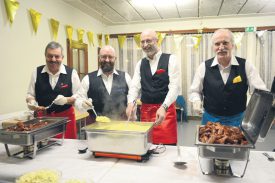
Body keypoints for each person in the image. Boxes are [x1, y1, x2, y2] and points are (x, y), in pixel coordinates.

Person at [189, 28, 267, 127]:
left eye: (225, 43)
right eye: (217, 44)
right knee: (209, 142)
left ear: (232, 45)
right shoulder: (203, 67)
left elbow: (260, 91)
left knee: (237, 142)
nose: (221, 47)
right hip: (210, 119)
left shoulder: (246, 65)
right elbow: (195, 91)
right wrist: (196, 100)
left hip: (238, 119)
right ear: (213, 47)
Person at [126, 29, 180, 145]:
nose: (145, 45)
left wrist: (164, 107)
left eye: (148, 41)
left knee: (167, 147)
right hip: (146, 112)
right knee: (147, 145)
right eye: (142, 42)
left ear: (157, 41)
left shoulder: (171, 59)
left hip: (166, 112)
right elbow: (134, 86)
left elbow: (174, 87)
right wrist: (131, 102)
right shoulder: (140, 63)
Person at [26, 41, 81, 139]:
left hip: (66, 119)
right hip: (43, 119)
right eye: (50, 56)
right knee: (43, 149)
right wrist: (31, 102)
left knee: (68, 149)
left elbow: (79, 96)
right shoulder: (36, 72)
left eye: (57, 56)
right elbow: (30, 94)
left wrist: (66, 100)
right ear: (45, 56)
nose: (53, 59)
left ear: (62, 57)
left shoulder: (72, 73)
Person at [75, 45, 131, 120]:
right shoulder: (87, 79)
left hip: (121, 126)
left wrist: (132, 113)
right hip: (96, 127)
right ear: (99, 58)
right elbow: (78, 101)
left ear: (115, 59)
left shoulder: (126, 77)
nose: (107, 60)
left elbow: (132, 99)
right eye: (104, 57)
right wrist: (82, 104)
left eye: (110, 57)